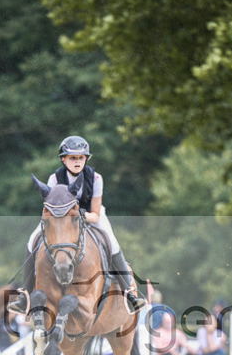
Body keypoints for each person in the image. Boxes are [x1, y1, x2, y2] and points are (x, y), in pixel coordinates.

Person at [8, 135, 146, 314]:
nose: (77, 161)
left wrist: (79, 215)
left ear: (86, 159)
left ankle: (130, 292)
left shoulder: (96, 179)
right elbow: (52, 208)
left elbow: (95, 215)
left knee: (111, 242)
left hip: (90, 215)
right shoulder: (54, 179)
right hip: (61, 219)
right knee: (32, 239)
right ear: (63, 159)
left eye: (81, 158)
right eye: (73, 158)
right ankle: (24, 295)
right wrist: (65, 218)